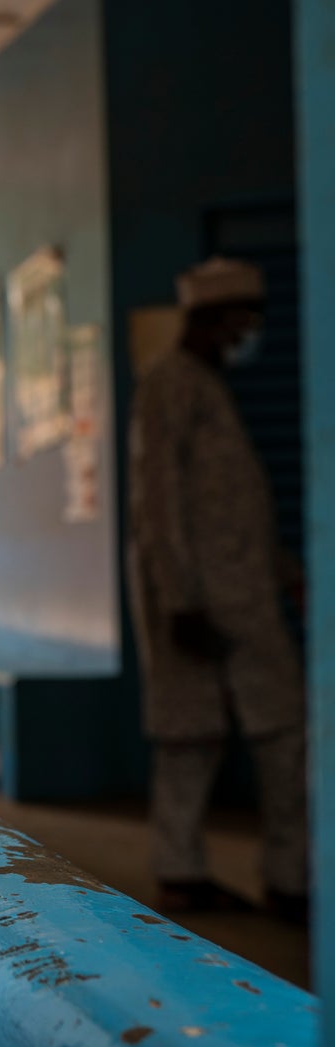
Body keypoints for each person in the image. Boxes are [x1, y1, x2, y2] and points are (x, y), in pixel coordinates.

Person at [126, 256, 307, 922]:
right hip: (197, 600)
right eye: (243, 322)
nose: (249, 335)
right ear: (213, 320)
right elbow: (160, 506)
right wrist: (180, 601)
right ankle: (183, 875)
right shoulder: (169, 386)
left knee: (282, 735)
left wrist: (287, 573)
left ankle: (290, 879)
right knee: (190, 738)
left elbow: (236, 507)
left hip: (243, 595)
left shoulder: (210, 388)